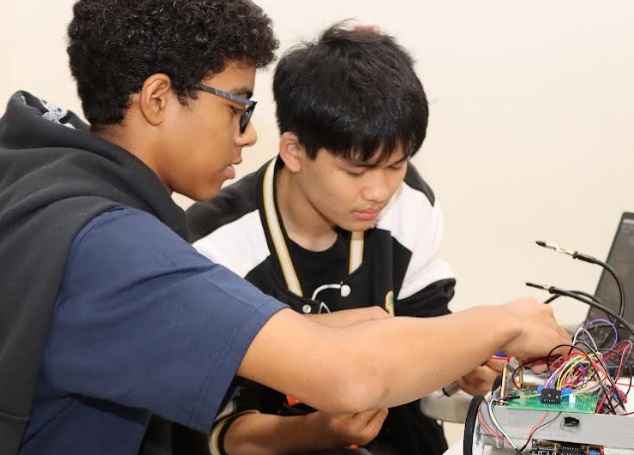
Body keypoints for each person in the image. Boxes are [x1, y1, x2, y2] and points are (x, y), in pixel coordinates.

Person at [0, 1, 570, 455]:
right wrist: (507, 321)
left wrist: (353, 332)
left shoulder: (43, 175)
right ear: (157, 99)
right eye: (237, 107)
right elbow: (351, 380)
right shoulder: (119, 245)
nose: (249, 136)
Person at [184, 24, 502, 455]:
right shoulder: (215, 248)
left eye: (396, 165)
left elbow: (428, 327)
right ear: (294, 152)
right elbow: (216, 433)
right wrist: (320, 431)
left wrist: (458, 366)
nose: (379, 191)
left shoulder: (410, 205)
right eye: (356, 172)